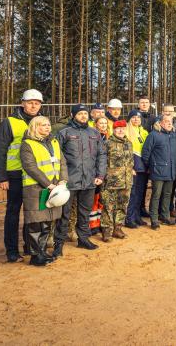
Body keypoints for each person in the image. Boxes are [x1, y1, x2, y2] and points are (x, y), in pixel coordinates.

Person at [0, 88, 43, 262]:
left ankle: (29, 246)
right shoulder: (10, 122)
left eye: (37, 103)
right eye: (30, 102)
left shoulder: (40, 122)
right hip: (14, 175)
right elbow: (0, 150)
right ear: (22, 103)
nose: (33, 106)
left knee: (32, 213)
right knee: (13, 212)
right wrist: (2, 177)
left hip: (33, 176)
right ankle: (12, 251)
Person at [52, 104, 106, 256]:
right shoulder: (64, 133)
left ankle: (83, 239)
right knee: (65, 214)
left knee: (85, 212)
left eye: (85, 113)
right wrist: (61, 178)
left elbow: (102, 155)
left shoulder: (94, 133)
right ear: (73, 115)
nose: (83, 116)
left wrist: (100, 175)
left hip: (89, 180)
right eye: (80, 113)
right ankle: (59, 244)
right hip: (69, 181)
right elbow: (57, 157)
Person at [19, 116, 68, 266]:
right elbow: (30, 167)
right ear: (35, 127)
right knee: (35, 222)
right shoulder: (27, 144)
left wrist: (63, 179)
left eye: (48, 125)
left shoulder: (53, 141)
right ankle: (34, 255)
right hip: (36, 188)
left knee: (47, 220)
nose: (47, 127)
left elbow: (62, 162)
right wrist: (48, 184)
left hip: (54, 187)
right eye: (43, 125)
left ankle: (42, 251)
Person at [101, 120, 134, 242]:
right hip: (110, 182)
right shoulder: (107, 143)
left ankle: (118, 228)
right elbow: (102, 162)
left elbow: (130, 161)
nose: (120, 130)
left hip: (126, 181)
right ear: (114, 130)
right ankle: (107, 231)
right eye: (118, 128)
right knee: (108, 207)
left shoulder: (129, 144)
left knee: (122, 206)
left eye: (122, 128)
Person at [142, 115, 176, 229]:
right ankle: (154, 219)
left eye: (170, 122)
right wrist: (151, 166)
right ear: (160, 123)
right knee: (156, 195)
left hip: (171, 171)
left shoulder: (173, 135)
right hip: (158, 171)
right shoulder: (153, 135)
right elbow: (146, 153)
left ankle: (165, 216)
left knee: (167, 194)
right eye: (166, 121)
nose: (169, 123)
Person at [124, 110, 149, 229]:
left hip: (142, 168)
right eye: (133, 117)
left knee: (139, 194)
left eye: (138, 118)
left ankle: (137, 216)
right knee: (132, 194)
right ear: (129, 119)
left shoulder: (144, 132)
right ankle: (129, 218)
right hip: (133, 168)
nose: (136, 120)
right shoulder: (126, 132)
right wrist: (130, 167)